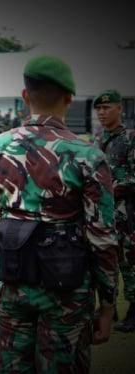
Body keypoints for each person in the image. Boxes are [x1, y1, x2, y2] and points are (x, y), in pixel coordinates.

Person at [0, 55, 119, 373]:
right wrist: (107, 303)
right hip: (67, 286)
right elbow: (103, 237)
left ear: (25, 96)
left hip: (9, 281)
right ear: (69, 98)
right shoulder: (89, 156)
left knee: (11, 365)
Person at [92, 89, 135, 332]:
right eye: (98, 108)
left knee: (130, 263)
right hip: (103, 215)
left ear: (120, 108)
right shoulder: (98, 140)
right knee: (104, 260)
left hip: (127, 214)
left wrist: (112, 188)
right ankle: (109, 307)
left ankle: (134, 310)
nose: (102, 112)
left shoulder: (130, 138)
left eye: (107, 108)